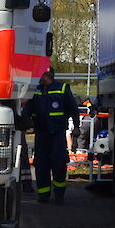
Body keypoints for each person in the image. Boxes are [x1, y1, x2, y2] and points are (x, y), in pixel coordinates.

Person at [23, 69, 79, 204]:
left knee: (58, 163)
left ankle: (59, 195)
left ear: (46, 75)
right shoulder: (36, 90)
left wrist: (76, 127)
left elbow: (73, 108)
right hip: (41, 134)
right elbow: (28, 109)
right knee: (41, 165)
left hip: (57, 134)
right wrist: (25, 123)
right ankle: (43, 195)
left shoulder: (63, 88)